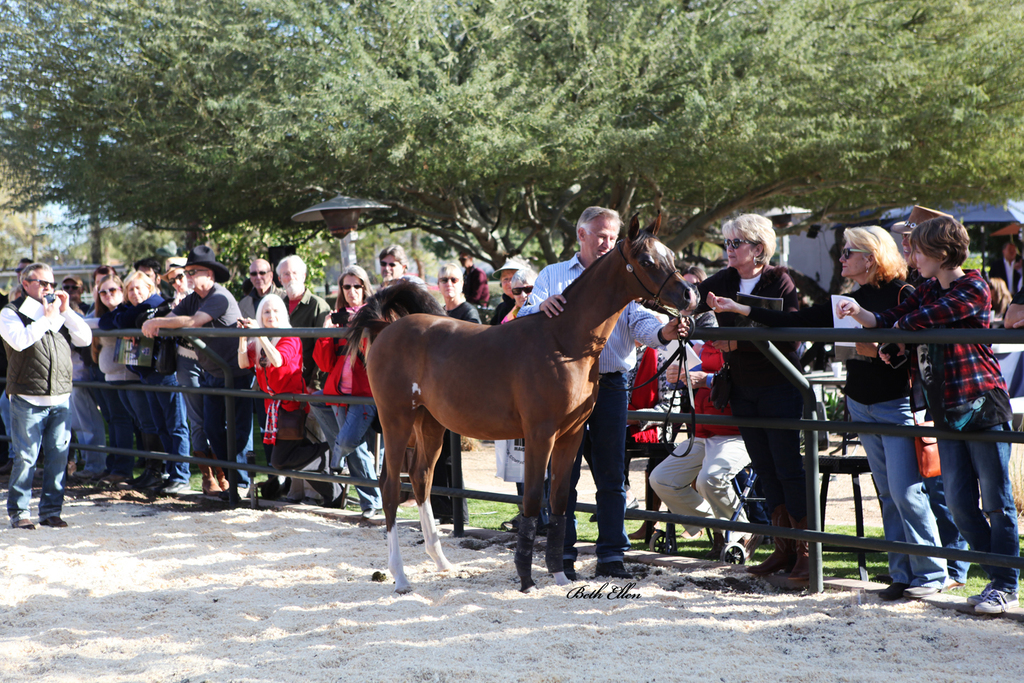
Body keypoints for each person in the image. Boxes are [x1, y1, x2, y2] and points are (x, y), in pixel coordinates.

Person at [713, 225, 949, 598]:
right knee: (887, 493)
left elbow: (912, 352)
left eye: (846, 253)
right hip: (860, 400)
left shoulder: (902, 293)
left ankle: (932, 574)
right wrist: (742, 308)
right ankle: (902, 573)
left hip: (894, 403)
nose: (840, 259)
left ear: (869, 257)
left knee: (907, 492)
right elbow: (799, 320)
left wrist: (877, 350)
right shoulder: (848, 297)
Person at [838, 216, 1019, 614]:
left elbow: (921, 319)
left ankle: (1004, 583)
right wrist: (867, 319)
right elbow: (889, 319)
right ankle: (1000, 575)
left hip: (982, 404)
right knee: (958, 504)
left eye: (916, 249)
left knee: (996, 501)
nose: (910, 255)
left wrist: (897, 335)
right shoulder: (924, 290)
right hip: (946, 412)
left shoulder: (973, 285)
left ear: (939, 252)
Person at [519, 206, 690, 581]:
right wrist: (538, 305)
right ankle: (563, 553)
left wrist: (663, 333)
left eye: (613, 238)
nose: (608, 244)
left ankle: (612, 554)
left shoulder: (624, 276)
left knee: (612, 474)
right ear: (581, 235)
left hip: (611, 382)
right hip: (560, 387)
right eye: (601, 236)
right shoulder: (555, 275)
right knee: (564, 473)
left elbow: (641, 321)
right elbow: (524, 314)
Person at [697, 213, 808, 582]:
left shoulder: (780, 280)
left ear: (758, 248)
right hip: (743, 391)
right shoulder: (723, 280)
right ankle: (783, 549)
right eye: (726, 243)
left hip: (780, 387)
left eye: (735, 243)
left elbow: (790, 331)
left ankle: (807, 554)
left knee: (788, 468)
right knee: (764, 468)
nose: (728, 250)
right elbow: (691, 303)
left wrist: (737, 343)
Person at [141, 246, 253, 498]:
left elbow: (193, 322)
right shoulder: (193, 298)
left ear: (210, 274)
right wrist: (159, 321)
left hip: (237, 372)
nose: (188, 275)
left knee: (239, 429)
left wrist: (155, 322)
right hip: (213, 371)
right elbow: (174, 316)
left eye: (193, 271)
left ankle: (242, 483)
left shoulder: (219, 296)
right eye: (186, 271)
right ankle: (231, 477)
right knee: (213, 428)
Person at [649, 334, 760, 560]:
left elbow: (744, 383)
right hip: (702, 432)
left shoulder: (742, 343)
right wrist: (679, 377)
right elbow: (696, 381)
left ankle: (745, 532)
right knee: (660, 478)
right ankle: (719, 528)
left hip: (737, 433)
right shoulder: (702, 344)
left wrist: (706, 379)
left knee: (709, 479)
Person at [2, 263, 92, 529]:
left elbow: (85, 338)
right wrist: (47, 319)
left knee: (58, 457)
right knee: (26, 457)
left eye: (52, 284)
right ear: (25, 283)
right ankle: (19, 513)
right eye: (42, 283)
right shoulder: (10, 312)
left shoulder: (56, 311)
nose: (48, 289)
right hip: (27, 396)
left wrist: (66, 312)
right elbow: (20, 341)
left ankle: (51, 511)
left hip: (60, 395)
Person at [239, 294, 341, 506]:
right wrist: (242, 337)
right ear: (260, 315)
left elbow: (276, 359)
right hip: (275, 409)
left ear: (283, 314)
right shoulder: (260, 341)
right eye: (266, 312)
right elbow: (242, 363)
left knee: (280, 460)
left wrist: (259, 334)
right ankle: (334, 494)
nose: (271, 315)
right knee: (297, 455)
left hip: (291, 406)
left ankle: (330, 450)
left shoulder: (290, 337)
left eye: (276, 311)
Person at [109, 270, 192, 495]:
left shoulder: (157, 304)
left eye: (139, 288)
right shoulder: (140, 308)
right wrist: (127, 317)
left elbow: (125, 319)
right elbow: (115, 320)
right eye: (130, 289)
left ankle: (181, 475)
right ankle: (168, 472)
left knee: (176, 425)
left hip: (165, 372)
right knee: (161, 425)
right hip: (148, 373)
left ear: (149, 288)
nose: (135, 293)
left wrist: (128, 317)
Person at [312, 265, 381, 516]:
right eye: (347, 286)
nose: (352, 291)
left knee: (351, 442)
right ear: (341, 289)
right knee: (357, 446)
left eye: (357, 286)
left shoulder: (375, 315)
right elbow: (324, 363)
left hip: (365, 393)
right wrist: (327, 332)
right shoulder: (336, 315)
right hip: (338, 392)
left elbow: (375, 357)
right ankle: (370, 504)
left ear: (365, 287)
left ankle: (336, 456)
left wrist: (361, 326)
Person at [276, 255, 331, 393]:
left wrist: (314, 385)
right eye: (286, 274)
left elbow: (324, 346)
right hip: (282, 383)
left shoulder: (318, 306)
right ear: (279, 279)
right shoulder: (276, 306)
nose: (291, 277)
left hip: (307, 386)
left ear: (304, 276)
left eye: (295, 273)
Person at [489, 259, 525, 325]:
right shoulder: (501, 308)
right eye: (505, 279)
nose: (509, 283)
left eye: (514, 278)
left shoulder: (530, 305)